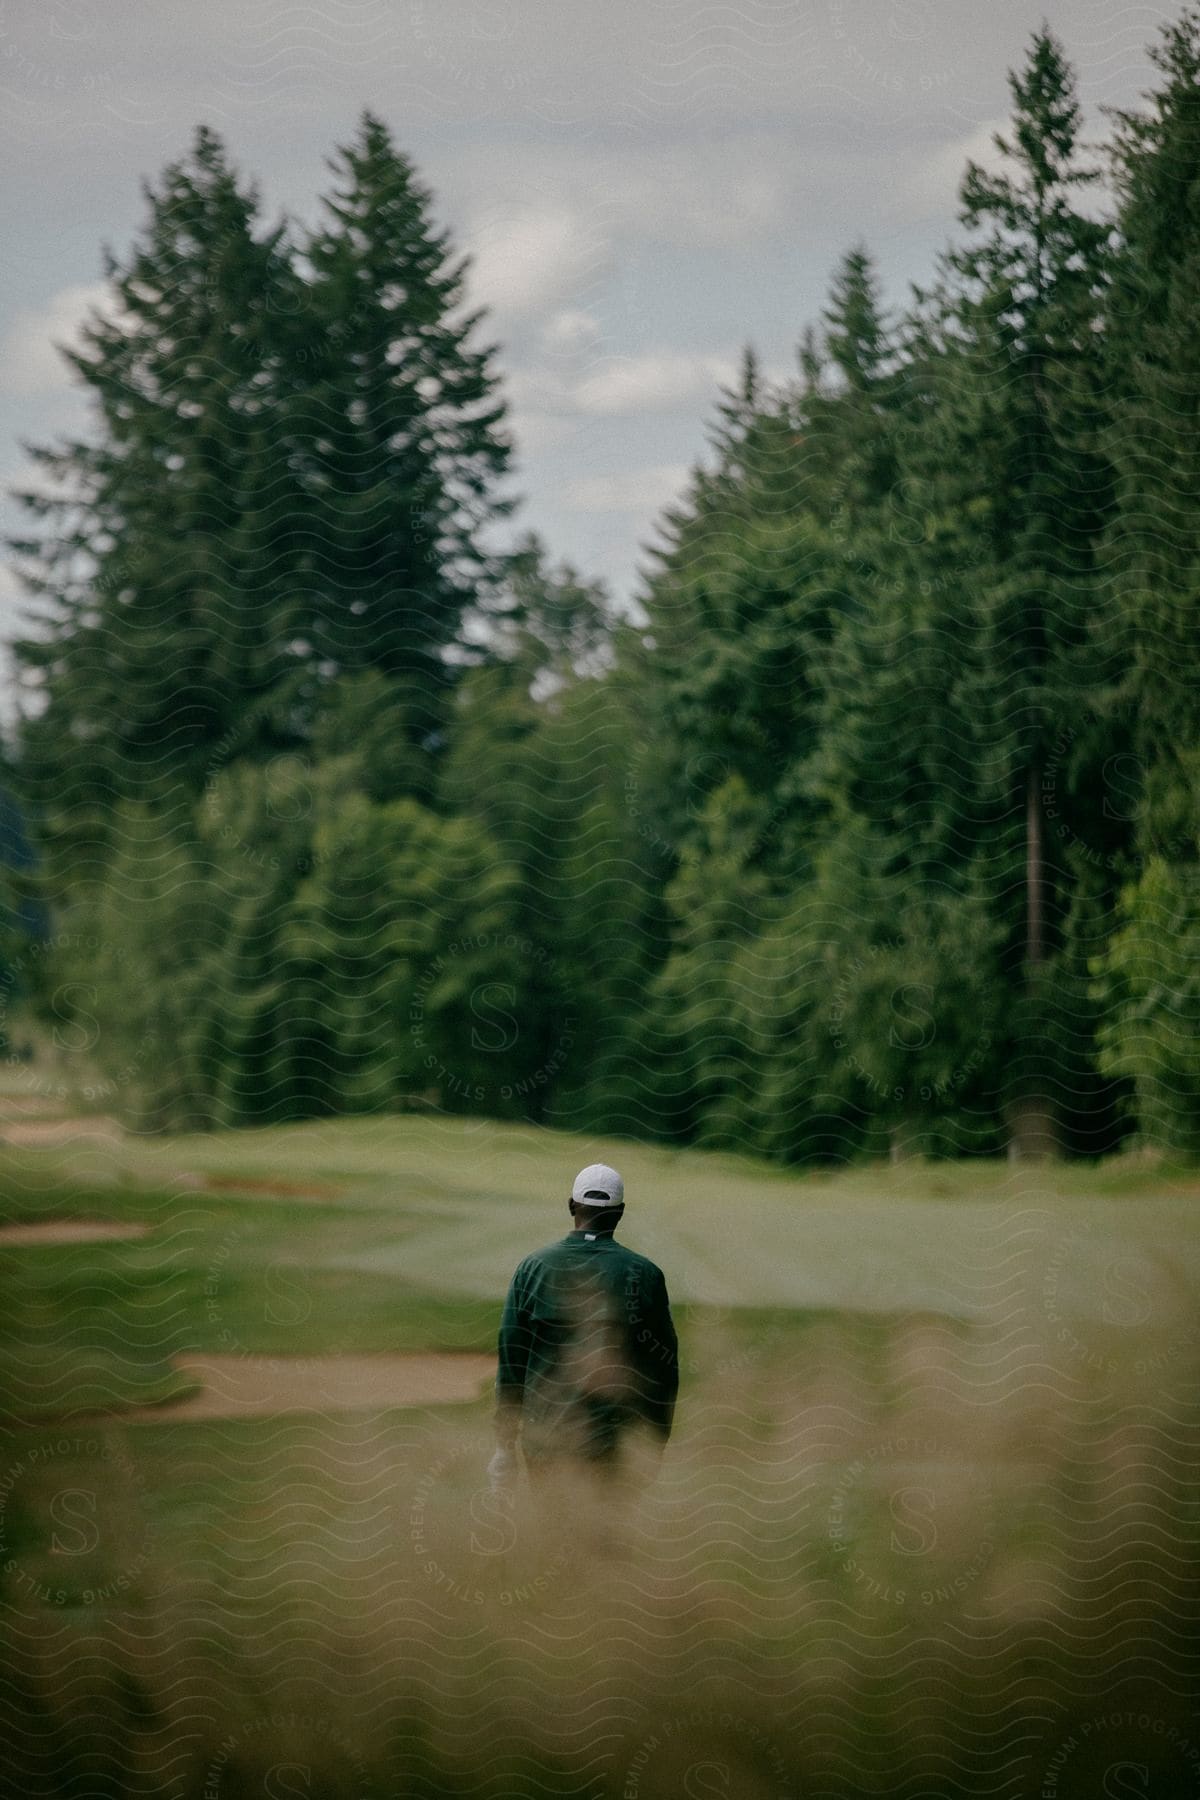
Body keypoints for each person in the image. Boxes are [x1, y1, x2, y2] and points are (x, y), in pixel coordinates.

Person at [488, 1163, 679, 1506]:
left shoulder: (532, 1268)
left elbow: (511, 1360)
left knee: (555, 1540)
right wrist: (655, 1444)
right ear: (619, 1213)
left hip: (545, 1438)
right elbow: (663, 1370)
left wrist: (504, 1447)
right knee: (606, 1548)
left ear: (571, 1206)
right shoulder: (646, 1274)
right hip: (613, 1447)